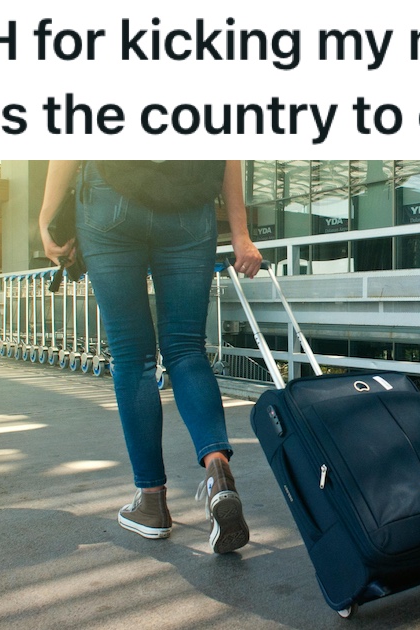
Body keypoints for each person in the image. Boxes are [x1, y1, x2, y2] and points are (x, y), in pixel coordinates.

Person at [38, 161, 262, 554]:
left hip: (110, 198)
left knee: (132, 356)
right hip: (190, 206)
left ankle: (152, 503)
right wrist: (241, 235)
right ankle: (218, 473)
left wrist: (45, 219)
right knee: (187, 348)